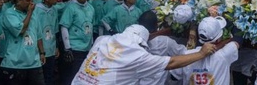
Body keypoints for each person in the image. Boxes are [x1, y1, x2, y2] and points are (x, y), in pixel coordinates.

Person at [71, 24, 217, 84]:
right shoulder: (137, 56)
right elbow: (171, 63)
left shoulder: (101, 40)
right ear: (141, 43)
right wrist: (201, 54)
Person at [171, 16, 240, 85]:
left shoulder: (186, 55)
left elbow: (173, 77)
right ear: (218, 38)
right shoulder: (225, 54)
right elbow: (238, 38)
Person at [0, 0, 45, 84]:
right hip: (15, 64)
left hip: (34, 63)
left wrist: (42, 52)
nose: (31, 4)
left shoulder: (34, 14)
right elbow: (21, 30)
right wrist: (29, 13)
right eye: (28, 1)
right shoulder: (9, 13)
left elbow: (39, 35)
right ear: (19, 1)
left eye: (32, 0)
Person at [59, 0, 95, 84]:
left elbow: (91, 26)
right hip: (75, 47)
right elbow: (64, 26)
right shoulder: (71, 8)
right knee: (73, 74)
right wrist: (67, 47)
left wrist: (92, 45)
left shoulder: (91, 8)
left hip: (87, 47)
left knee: (85, 75)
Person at [32, 0, 60, 85]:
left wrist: (56, 47)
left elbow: (55, 29)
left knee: (49, 75)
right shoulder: (36, 9)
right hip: (39, 49)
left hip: (51, 48)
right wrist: (40, 51)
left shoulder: (54, 10)